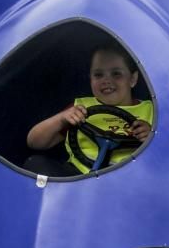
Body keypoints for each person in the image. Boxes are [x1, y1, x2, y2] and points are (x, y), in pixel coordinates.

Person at [25, 43, 152, 176]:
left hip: (131, 180)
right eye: (98, 75)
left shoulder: (151, 110)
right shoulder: (79, 108)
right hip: (79, 177)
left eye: (116, 74)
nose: (106, 80)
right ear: (90, 79)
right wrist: (62, 119)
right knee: (35, 163)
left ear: (133, 79)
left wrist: (152, 137)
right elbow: (34, 142)